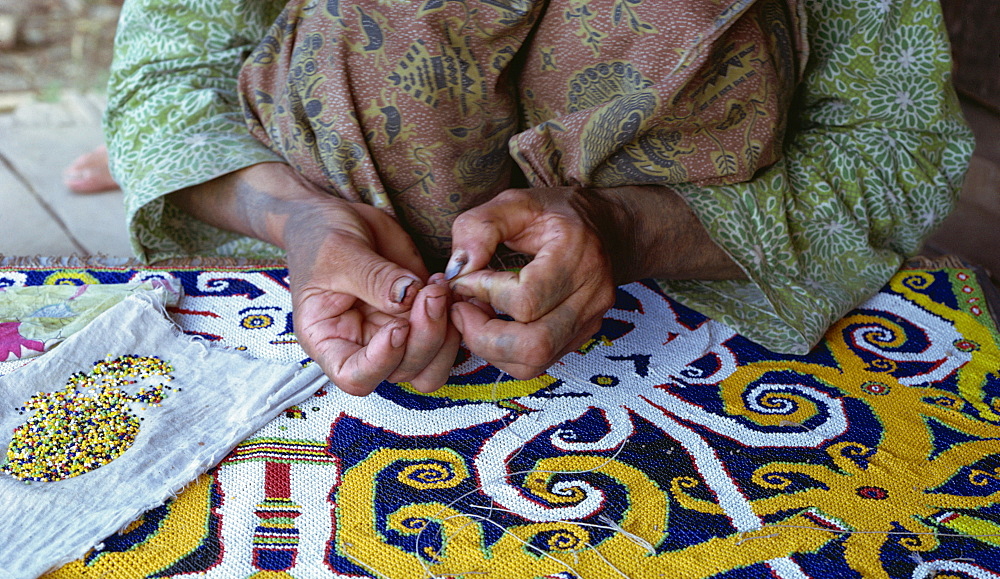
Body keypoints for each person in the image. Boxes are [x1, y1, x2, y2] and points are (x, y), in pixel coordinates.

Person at [103, 0, 973, 397]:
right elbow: (166, 83)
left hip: (685, 327)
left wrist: (626, 231)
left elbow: (894, 148)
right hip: (346, 316)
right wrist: (299, 219)